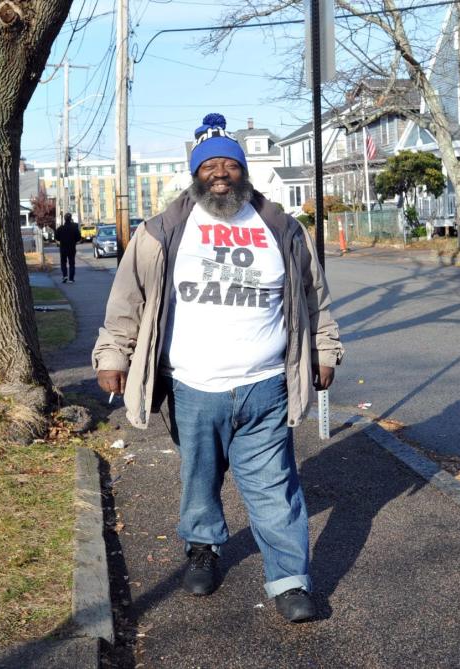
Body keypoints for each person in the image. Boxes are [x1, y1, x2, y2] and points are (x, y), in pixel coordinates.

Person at [91, 113, 343, 623]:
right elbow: (129, 300)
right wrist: (113, 355)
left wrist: (324, 349)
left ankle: (291, 580)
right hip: (193, 386)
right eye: (211, 165)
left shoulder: (282, 229)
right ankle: (203, 548)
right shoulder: (162, 231)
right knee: (199, 480)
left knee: (275, 489)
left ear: (244, 171)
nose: (221, 172)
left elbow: (314, 297)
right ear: (196, 173)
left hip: (265, 386)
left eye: (230, 163)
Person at [55, 212, 82, 283]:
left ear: (64, 219)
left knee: (63, 262)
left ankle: (65, 276)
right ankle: (71, 278)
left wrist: (62, 239)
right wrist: (74, 241)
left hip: (63, 248)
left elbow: (56, 237)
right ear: (71, 219)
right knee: (71, 263)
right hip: (71, 248)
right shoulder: (74, 228)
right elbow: (79, 238)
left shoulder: (60, 228)